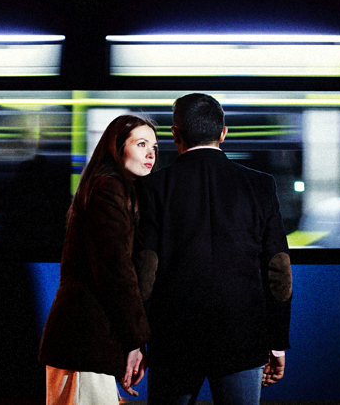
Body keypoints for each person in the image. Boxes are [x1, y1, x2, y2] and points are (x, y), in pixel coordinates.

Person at [136, 93, 293, 405]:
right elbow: (278, 269)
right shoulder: (260, 185)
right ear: (223, 133)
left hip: (173, 339)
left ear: (175, 134)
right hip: (242, 336)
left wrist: (138, 339)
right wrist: (276, 342)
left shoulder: (152, 187)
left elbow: (145, 271)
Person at [38, 114, 159, 404]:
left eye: (154, 146)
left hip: (86, 341)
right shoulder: (108, 188)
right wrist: (134, 340)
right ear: (117, 147)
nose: (150, 153)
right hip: (85, 339)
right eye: (141, 144)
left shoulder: (111, 187)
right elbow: (116, 270)